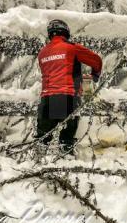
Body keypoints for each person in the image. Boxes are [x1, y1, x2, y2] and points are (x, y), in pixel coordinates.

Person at [37, 19, 102, 153]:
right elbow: (96, 60)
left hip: (46, 100)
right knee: (66, 141)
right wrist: (95, 74)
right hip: (67, 97)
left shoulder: (42, 52)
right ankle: (66, 161)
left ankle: (37, 164)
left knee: (42, 141)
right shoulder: (71, 47)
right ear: (65, 32)